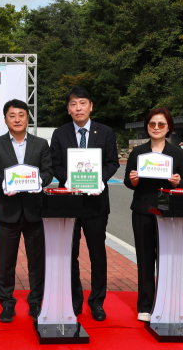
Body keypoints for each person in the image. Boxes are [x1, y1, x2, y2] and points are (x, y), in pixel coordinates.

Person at [50, 86, 119, 321]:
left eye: (82, 103)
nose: (78, 108)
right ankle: (74, 300)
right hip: (68, 203)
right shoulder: (60, 134)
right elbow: (55, 164)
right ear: (68, 109)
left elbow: (112, 162)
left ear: (91, 106)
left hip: (96, 203)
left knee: (97, 253)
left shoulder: (106, 132)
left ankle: (97, 301)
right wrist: (67, 179)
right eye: (73, 104)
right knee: (70, 253)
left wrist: (101, 179)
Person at [0, 99, 53, 323]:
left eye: (21, 115)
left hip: (35, 210)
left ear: (27, 118)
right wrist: (3, 184)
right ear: (5, 119)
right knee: (6, 261)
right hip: (7, 209)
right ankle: (6, 303)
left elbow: (47, 172)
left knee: (37, 261)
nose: (17, 119)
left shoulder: (41, 144)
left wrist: (39, 183)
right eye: (12, 115)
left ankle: (36, 302)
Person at [124, 107, 183, 322]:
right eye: (152, 124)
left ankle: (164, 302)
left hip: (167, 211)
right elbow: (128, 181)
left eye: (161, 124)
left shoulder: (177, 153)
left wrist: (178, 181)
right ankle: (145, 305)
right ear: (147, 127)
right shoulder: (138, 152)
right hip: (142, 210)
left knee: (165, 257)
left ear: (168, 127)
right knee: (144, 258)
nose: (156, 128)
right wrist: (133, 180)